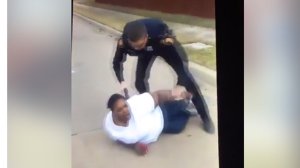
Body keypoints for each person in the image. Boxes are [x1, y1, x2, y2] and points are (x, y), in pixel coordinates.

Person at [112, 18, 214, 133]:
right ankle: (150, 107)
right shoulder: (123, 43)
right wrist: (121, 81)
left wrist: (180, 83)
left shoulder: (161, 34)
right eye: (135, 46)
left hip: (163, 48)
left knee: (187, 80)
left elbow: (182, 60)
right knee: (138, 82)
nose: (137, 48)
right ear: (129, 41)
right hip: (146, 54)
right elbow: (116, 62)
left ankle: (205, 117)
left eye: (140, 44)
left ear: (146, 37)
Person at [104, 88, 194, 155]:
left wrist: (177, 95)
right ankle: (189, 110)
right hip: (164, 128)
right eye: (120, 110)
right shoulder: (110, 127)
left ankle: (191, 100)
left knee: (182, 105)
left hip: (163, 110)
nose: (125, 110)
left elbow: (158, 96)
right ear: (113, 112)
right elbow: (121, 139)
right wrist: (136, 146)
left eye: (125, 106)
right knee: (179, 127)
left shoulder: (136, 104)